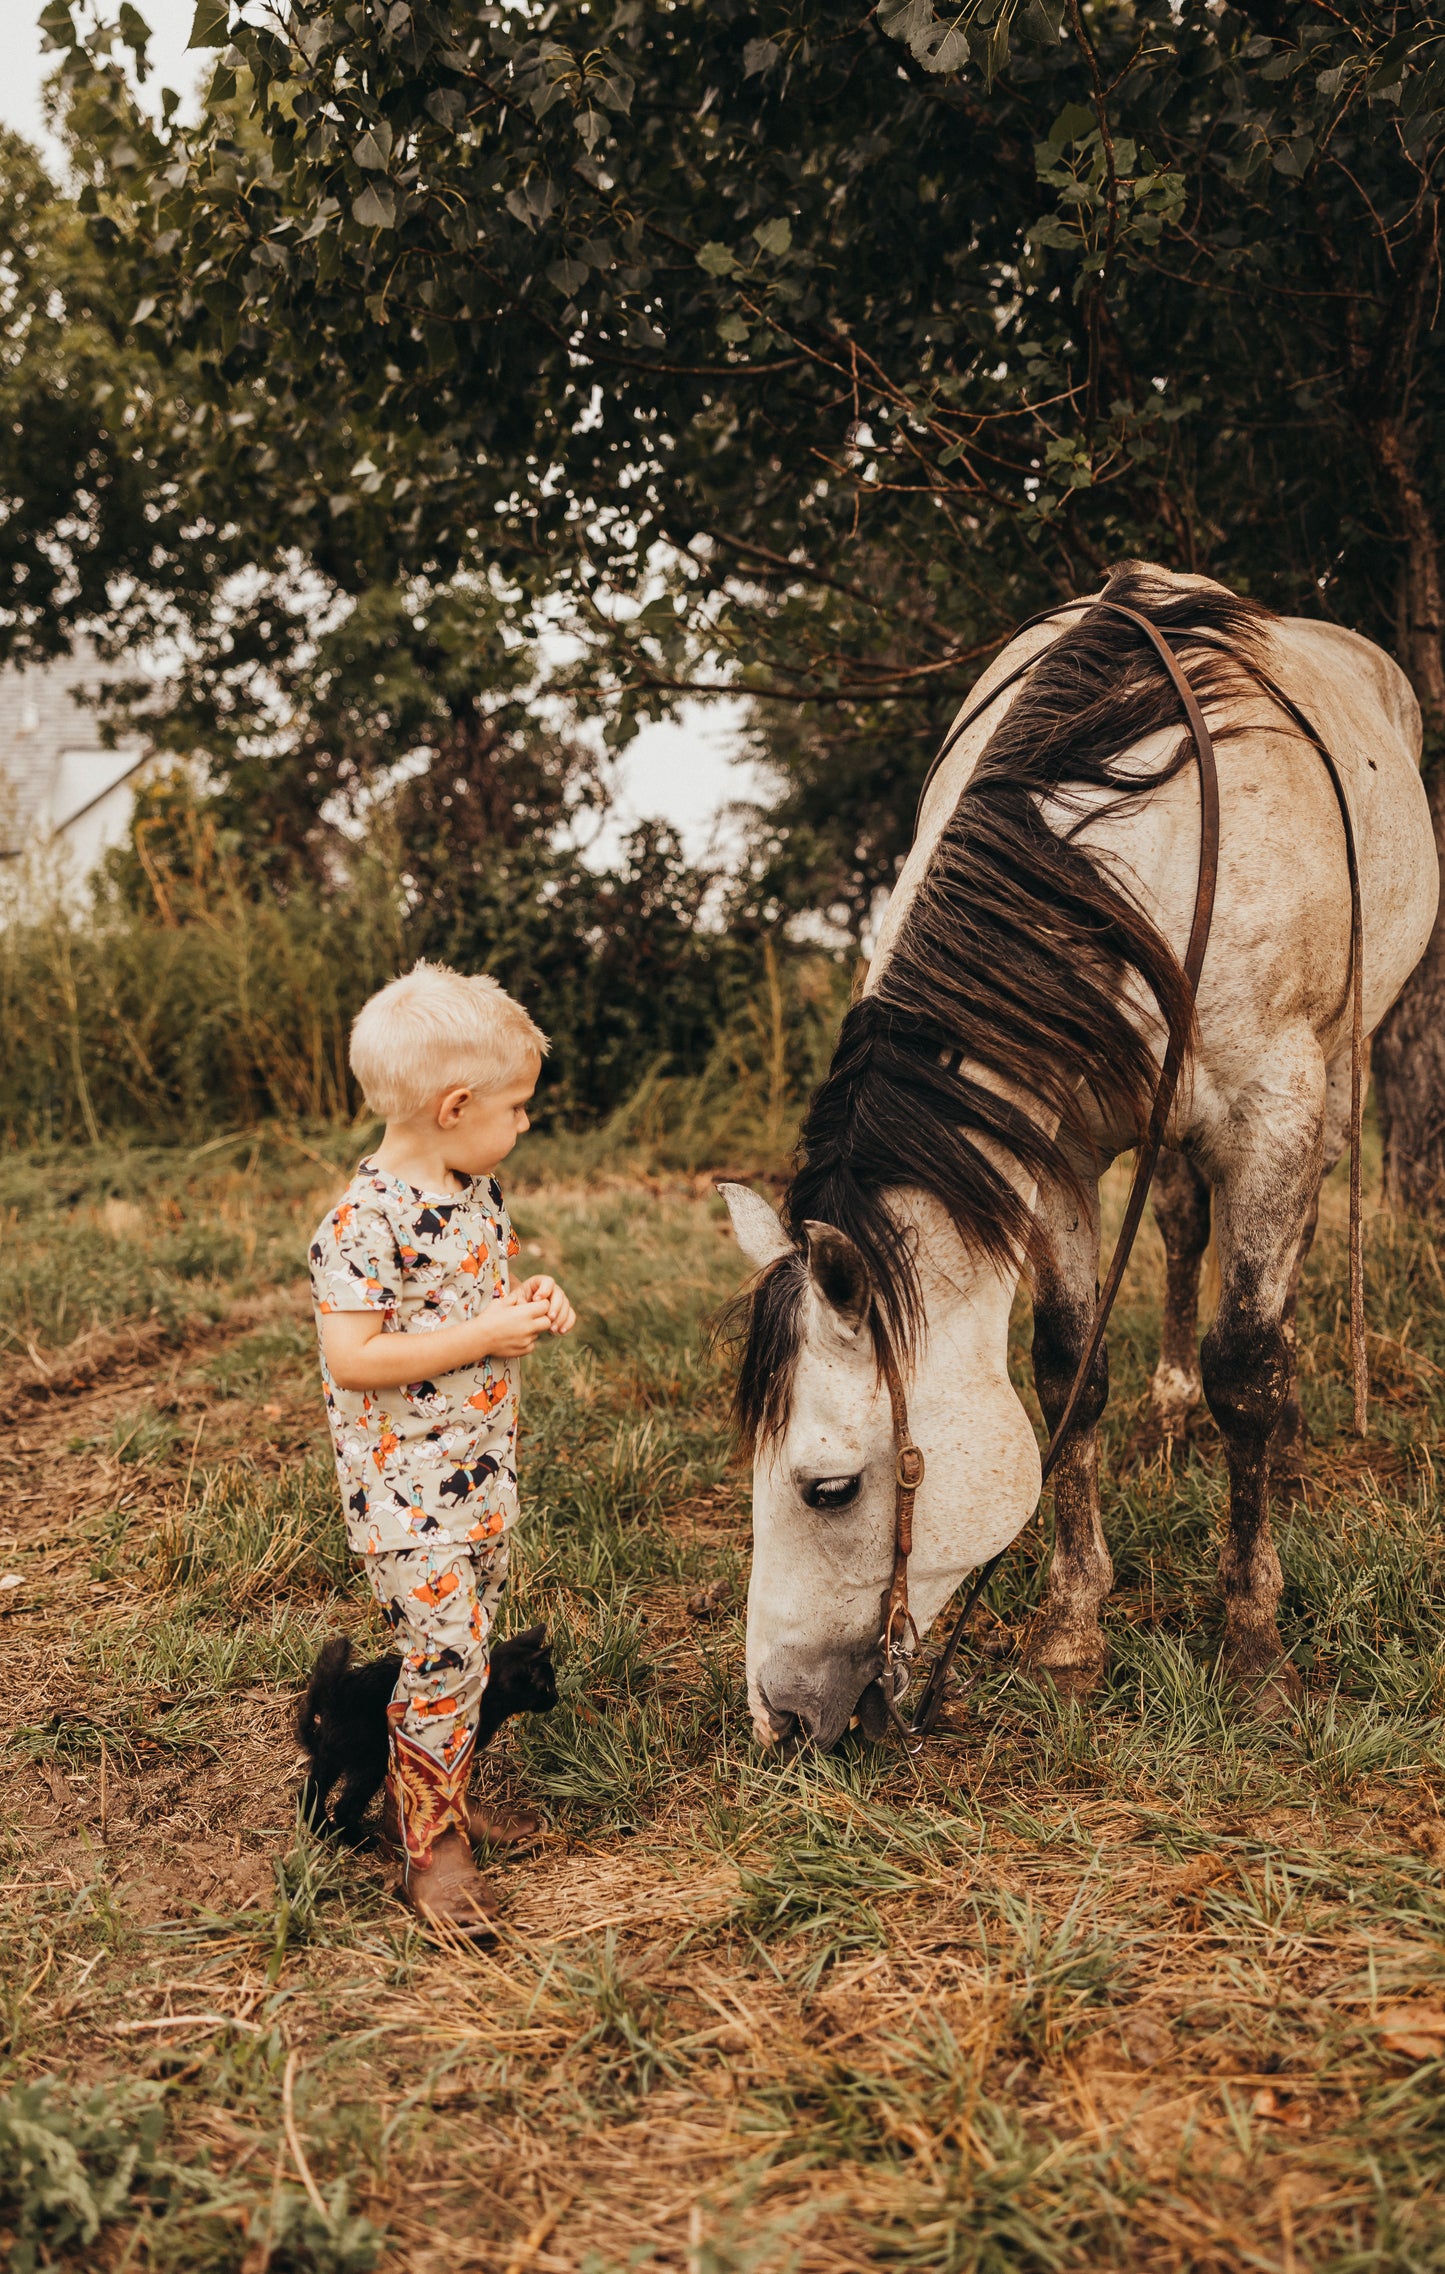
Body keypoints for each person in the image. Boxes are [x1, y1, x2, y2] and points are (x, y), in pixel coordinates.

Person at [308, 961, 575, 1934]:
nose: (524, 1123)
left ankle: (433, 1795)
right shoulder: (360, 1224)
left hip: (477, 1480)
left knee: (460, 1660)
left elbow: (470, 1309)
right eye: (517, 1107)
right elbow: (354, 1357)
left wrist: (526, 1303)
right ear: (454, 1104)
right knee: (449, 1655)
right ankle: (429, 1846)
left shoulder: (475, 1193)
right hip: (402, 1496)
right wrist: (482, 1338)